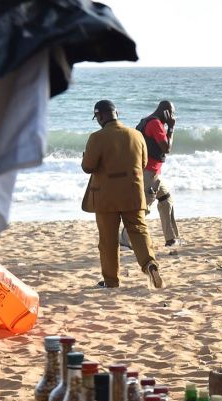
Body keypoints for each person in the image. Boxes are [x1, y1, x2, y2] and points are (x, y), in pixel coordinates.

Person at [81, 99, 163, 289]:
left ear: (100, 116)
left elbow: (88, 167)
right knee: (139, 231)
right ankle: (150, 265)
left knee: (108, 240)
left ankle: (111, 281)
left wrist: (85, 157)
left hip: (105, 197)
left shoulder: (97, 137)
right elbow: (143, 164)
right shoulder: (136, 135)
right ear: (117, 113)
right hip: (133, 193)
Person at [118, 101, 180, 253]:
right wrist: (171, 127)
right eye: (171, 113)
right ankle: (125, 242)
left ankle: (171, 239)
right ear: (166, 112)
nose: (172, 116)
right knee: (142, 208)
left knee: (166, 200)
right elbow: (166, 148)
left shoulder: (145, 121)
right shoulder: (155, 124)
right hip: (149, 173)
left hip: (150, 172)